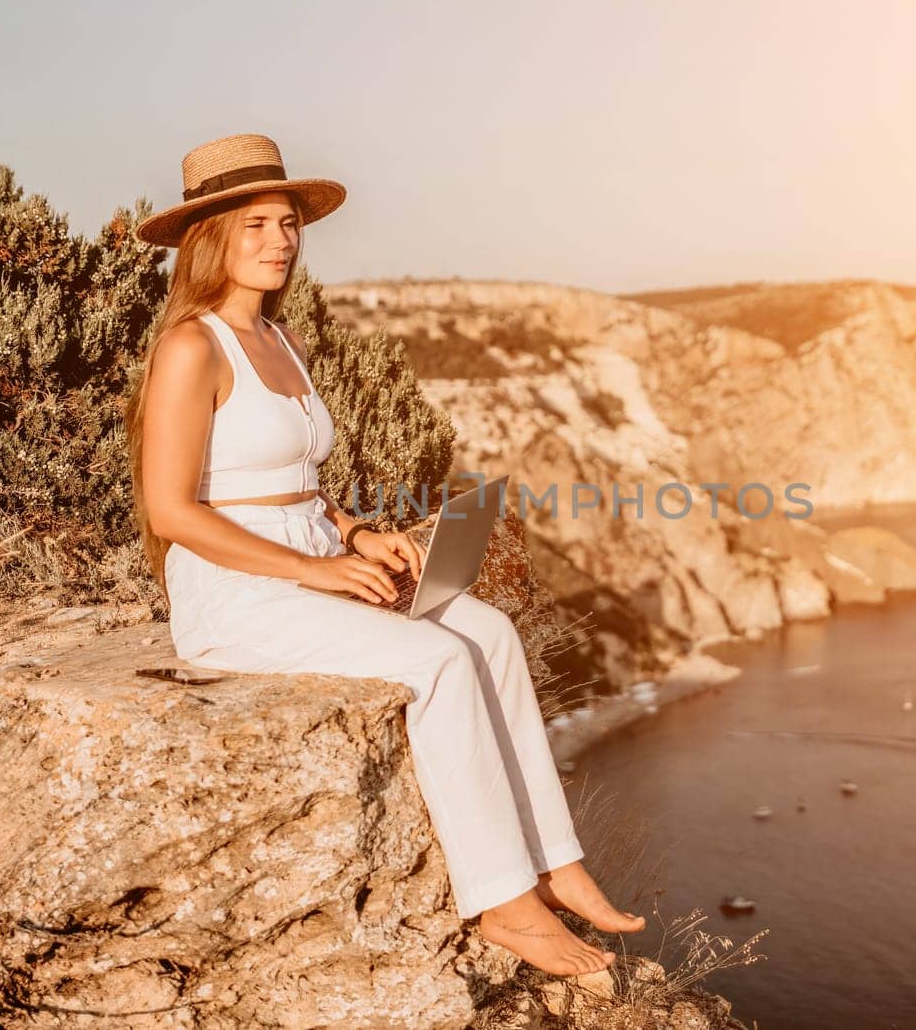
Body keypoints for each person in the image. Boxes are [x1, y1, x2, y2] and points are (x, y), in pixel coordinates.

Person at [123, 133, 643, 977]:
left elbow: (295, 483)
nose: (279, 241)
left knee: (490, 634)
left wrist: (358, 535)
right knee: (437, 659)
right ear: (209, 236)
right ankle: (504, 903)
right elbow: (170, 510)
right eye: (255, 224)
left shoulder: (280, 342)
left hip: (316, 558)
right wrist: (314, 570)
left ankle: (555, 864)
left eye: (288, 224)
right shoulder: (192, 347)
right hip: (237, 591)